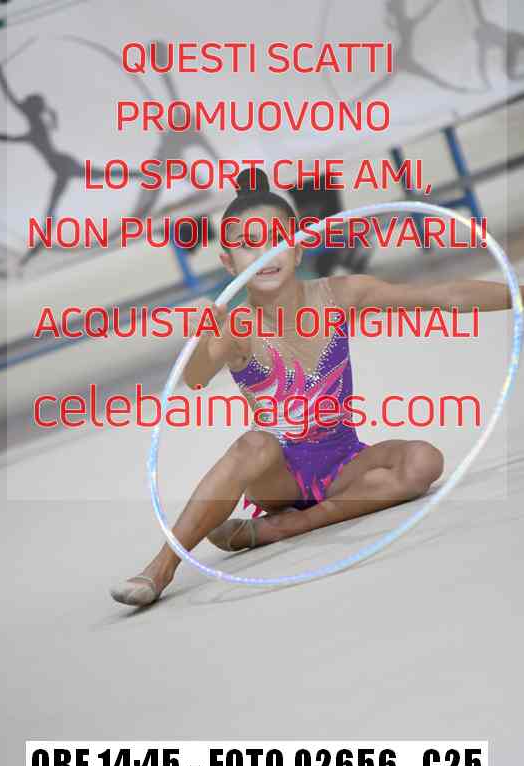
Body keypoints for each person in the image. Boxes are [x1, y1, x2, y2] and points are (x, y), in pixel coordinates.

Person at [111, 168, 522, 607]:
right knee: (254, 444)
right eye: (248, 244)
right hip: (279, 477)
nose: (264, 254)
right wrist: (203, 337)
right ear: (228, 263)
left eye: (276, 239)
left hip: (344, 461)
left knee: (424, 460)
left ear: (299, 246)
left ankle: (287, 526)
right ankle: (161, 567)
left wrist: (518, 295)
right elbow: (194, 377)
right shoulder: (237, 326)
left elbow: (442, 296)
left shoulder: (340, 294)